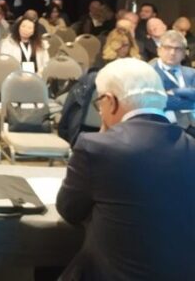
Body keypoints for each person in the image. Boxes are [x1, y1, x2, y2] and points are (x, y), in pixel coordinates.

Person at [56, 58, 195, 281]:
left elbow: (69, 210)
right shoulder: (191, 146)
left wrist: (103, 136)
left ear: (110, 101)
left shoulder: (97, 147)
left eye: (99, 104)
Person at [152, 30, 195, 129]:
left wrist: (176, 92)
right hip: (165, 128)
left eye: (178, 49)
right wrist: (192, 102)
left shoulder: (192, 73)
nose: (172, 53)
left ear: (184, 53)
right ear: (159, 50)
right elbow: (161, 101)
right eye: (168, 48)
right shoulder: (150, 73)